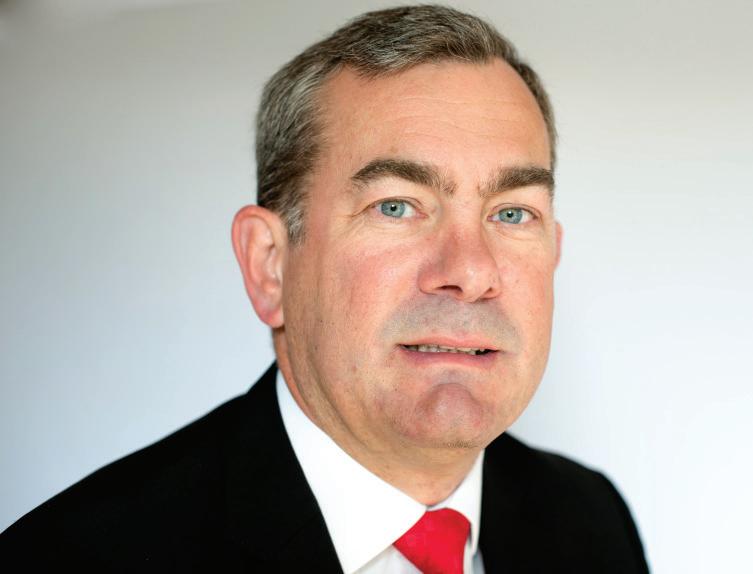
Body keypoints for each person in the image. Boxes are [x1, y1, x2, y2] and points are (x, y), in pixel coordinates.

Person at [1, 5, 649, 572]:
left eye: (511, 213)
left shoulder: (590, 521)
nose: (472, 271)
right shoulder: (73, 557)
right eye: (396, 206)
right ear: (269, 265)